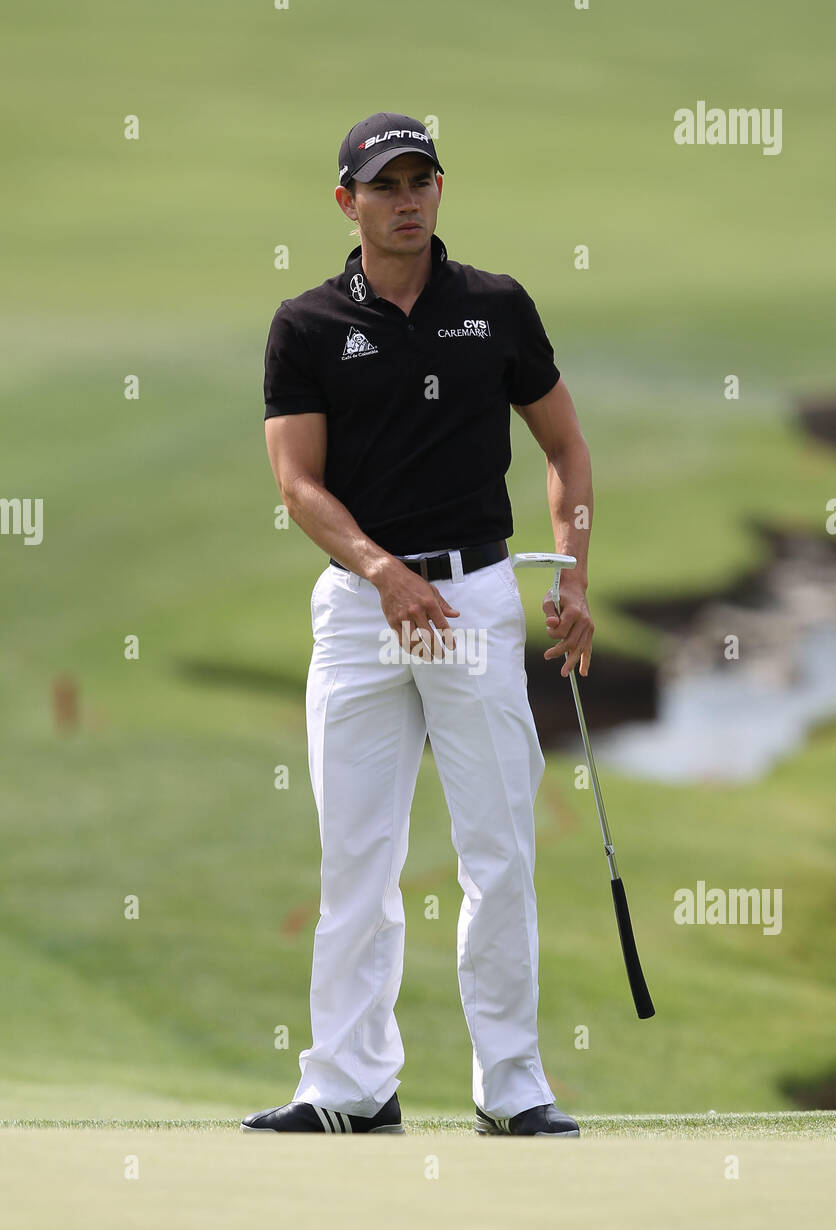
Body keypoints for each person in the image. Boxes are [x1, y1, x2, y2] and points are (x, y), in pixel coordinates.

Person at [242, 112, 594, 1137]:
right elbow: (296, 484)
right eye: (383, 185)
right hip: (363, 613)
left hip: (474, 599)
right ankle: (348, 1086)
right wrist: (380, 571)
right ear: (345, 202)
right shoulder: (306, 325)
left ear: (440, 190)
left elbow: (565, 448)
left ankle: (512, 1084)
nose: (405, 200)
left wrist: (572, 573)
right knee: (357, 852)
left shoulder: (492, 306)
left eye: (420, 181)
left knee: (497, 848)